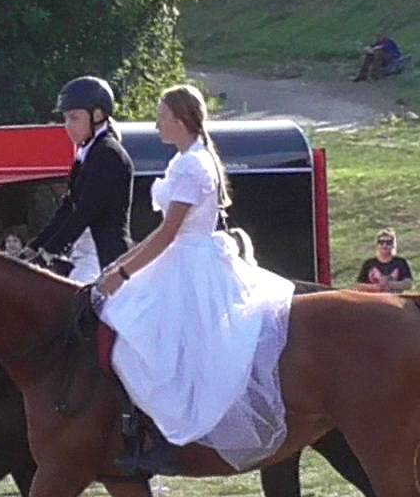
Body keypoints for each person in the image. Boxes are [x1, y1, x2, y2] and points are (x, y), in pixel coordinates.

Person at [96, 84, 297, 474]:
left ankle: (168, 437)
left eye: (162, 116)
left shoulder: (193, 165)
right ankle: (144, 431)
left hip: (190, 263)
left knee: (148, 346)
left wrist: (122, 272)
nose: (157, 123)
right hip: (180, 257)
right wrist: (119, 265)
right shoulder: (184, 160)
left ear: (181, 119)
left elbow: (169, 232)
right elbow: (162, 234)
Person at [31, 76, 135, 287]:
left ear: (97, 115)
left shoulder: (108, 154)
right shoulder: (86, 152)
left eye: (74, 118)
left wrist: (49, 252)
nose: (67, 126)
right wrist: (35, 246)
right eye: (66, 119)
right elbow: (68, 207)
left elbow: (84, 213)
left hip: (103, 258)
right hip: (83, 255)